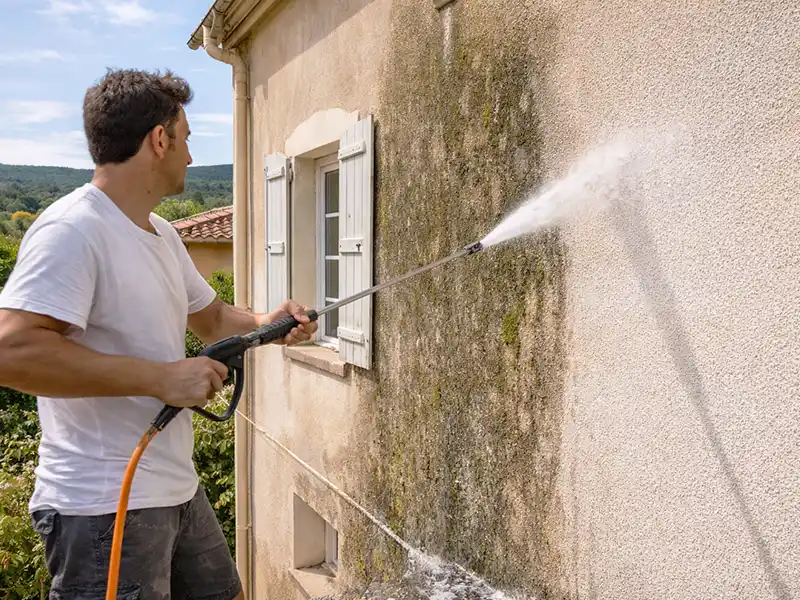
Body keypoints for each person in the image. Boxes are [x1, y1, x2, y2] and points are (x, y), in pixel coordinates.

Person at [0, 69, 316, 600]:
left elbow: (213, 319)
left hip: (175, 488)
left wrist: (269, 323)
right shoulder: (72, 230)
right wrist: (161, 379)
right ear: (159, 140)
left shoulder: (162, 234)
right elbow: (11, 351)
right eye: (186, 138)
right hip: (102, 505)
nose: (191, 156)